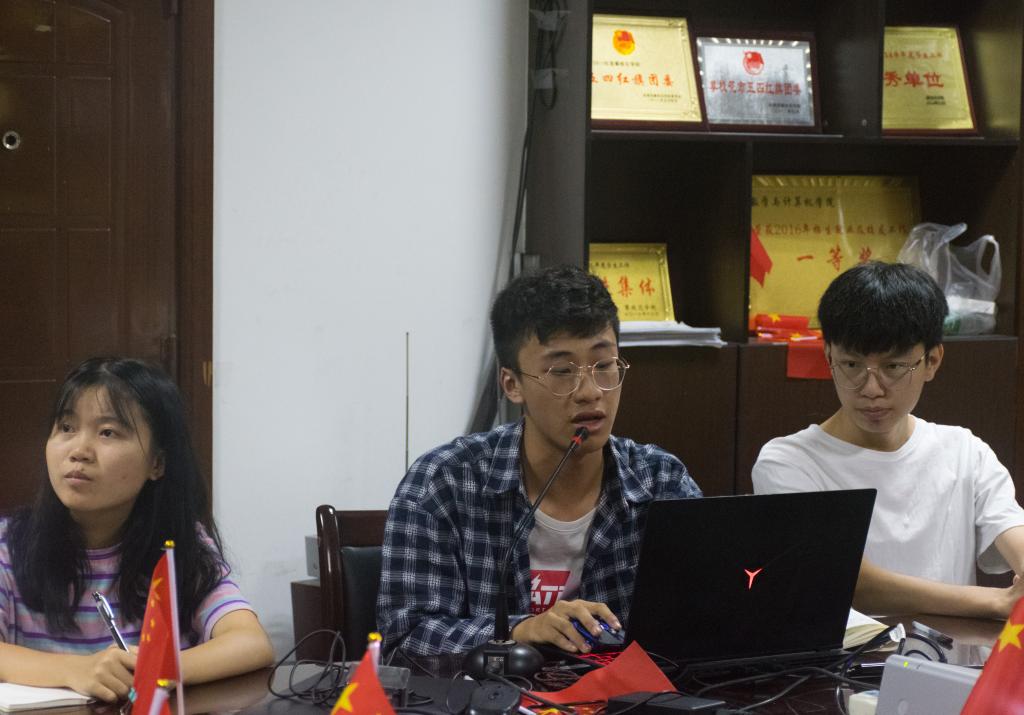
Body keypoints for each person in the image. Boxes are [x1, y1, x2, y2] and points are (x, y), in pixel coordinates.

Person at [377, 264, 701, 656]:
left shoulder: (661, 482)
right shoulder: (444, 483)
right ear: (512, 384)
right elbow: (404, 641)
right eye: (561, 371)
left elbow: (705, 622)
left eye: (604, 366)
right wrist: (520, 631)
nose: (590, 391)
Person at [753, 261, 1024, 619]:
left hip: (954, 655)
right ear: (828, 357)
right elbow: (850, 581)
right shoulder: (788, 462)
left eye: (893, 367)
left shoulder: (964, 451)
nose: (871, 389)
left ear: (932, 361)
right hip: (851, 657)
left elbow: (1011, 529)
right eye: (851, 365)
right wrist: (996, 602)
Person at [0, 358, 274, 702]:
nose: (79, 451)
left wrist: (156, 667)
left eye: (107, 432)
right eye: (67, 427)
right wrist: (75, 670)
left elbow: (250, 642)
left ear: (157, 463)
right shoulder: (9, 545)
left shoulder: (178, 546)